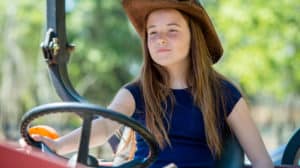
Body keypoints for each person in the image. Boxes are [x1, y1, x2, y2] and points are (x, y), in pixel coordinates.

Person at [25, 0, 273, 167]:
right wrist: (58, 144)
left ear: (193, 38)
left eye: (172, 30)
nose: (161, 39)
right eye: (153, 32)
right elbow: (103, 127)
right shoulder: (137, 92)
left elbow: (261, 161)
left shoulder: (224, 94)